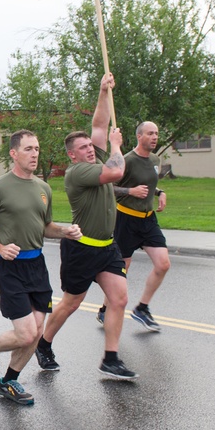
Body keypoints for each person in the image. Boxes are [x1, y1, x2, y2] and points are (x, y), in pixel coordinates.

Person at [35, 73, 138, 380]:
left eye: (89, 146)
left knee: (119, 298)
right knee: (71, 303)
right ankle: (44, 343)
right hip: (82, 248)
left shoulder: (96, 157)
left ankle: (110, 357)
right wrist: (118, 147)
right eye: (82, 148)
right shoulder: (78, 173)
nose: (89, 148)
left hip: (107, 247)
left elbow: (99, 125)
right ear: (72, 155)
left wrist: (103, 91)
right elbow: (116, 173)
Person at [0, 130, 83, 405]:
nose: (35, 154)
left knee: (36, 330)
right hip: (10, 267)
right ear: (14, 153)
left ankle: (9, 381)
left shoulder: (43, 188)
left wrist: (65, 231)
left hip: (37, 265)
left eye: (37, 149)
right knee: (26, 333)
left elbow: (45, 227)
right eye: (29, 149)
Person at [99, 120, 169, 332]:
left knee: (163, 264)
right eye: (150, 133)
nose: (155, 137)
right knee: (121, 270)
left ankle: (142, 308)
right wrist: (129, 192)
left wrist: (160, 192)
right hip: (126, 220)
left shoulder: (156, 159)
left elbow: (149, 183)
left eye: (156, 133)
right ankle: (104, 309)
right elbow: (108, 186)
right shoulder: (126, 159)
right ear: (139, 136)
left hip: (148, 221)